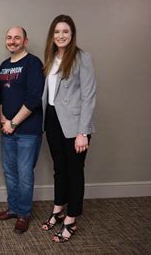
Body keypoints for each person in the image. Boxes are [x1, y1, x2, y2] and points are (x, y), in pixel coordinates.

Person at [41, 14, 96, 243]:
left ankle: (71, 219)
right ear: (52, 36)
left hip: (75, 125)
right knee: (59, 169)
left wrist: (83, 132)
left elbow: (89, 96)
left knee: (74, 172)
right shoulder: (51, 57)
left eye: (65, 31)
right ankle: (58, 209)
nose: (60, 36)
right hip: (52, 120)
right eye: (56, 32)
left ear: (72, 34)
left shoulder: (82, 57)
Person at [0, 27, 44, 234]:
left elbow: (34, 98)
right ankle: (13, 208)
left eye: (17, 38)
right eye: (9, 38)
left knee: (24, 174)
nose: (12, 41)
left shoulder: (32, 63)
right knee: (10, 173)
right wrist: (3, 118)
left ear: (25, 41)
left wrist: (13, 123)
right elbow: (0, 98)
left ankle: (24, 213)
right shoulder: (4, 66)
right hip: (7, 130)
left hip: (28, 131)